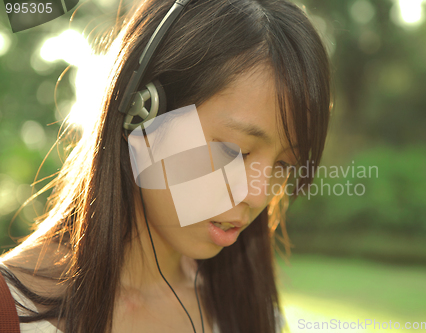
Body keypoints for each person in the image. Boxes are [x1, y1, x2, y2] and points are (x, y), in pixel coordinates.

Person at [0, 0, 332, 332]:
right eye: (237, 151)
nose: (259, 195)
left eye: (284, 165)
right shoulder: (11, 309)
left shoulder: (253, 317)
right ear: (142, 114)